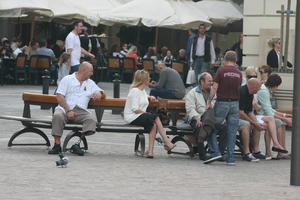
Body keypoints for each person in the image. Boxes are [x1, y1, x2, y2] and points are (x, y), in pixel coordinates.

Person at [48, 62, 105, 156]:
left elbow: (102, 93)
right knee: (57, 116)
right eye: (91, 71)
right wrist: (68, 110)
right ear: (83, 70)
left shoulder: (90, 83)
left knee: (91, 120)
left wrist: (100, 93)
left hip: (81, 111)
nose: (92, 74)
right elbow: (59, 96)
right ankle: (57, 145)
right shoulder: (67, 79)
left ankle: (77, 144)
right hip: (64, 108)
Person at [124, 70, 176, 158]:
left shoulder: (142, 91)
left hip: (140, 116)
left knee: (154, 125)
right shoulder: (134, 91)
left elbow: (142, 97)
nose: (150, 79)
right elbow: (135, 109)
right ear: (144, 80)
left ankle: (150, 151)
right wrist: (147, 113)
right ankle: (166, 141)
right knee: (155, 117)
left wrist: (149, 97)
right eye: (148, 78)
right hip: (132, 117)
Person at [205, 51, 242, 165]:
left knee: (211, 126)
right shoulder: (239, 73)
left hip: (222, 102)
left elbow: (214, 88)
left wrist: (209, 101)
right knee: (232, 131)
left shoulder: (221, 70)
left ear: (225, 59)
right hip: (235, 104)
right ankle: (231, 158)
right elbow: (239, 88)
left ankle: (215, 152)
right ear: (235, 60)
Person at [239, 78, 278, 162]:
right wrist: (253, 122)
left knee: (258, 124)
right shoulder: (242, 92)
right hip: (236, 115)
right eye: (259, 87)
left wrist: (257, 123)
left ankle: (256, 151)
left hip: (244, 115)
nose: (260, 89)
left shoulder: (251, 93)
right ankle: (246, 153)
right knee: (247, 124)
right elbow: (241, 113)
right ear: (253, 87)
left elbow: (249, 112)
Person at [256, 74, 291, 159]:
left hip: (263, 115)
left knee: (281, 123)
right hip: (260, 116)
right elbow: (269, 112)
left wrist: (284, 115)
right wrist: (285, 119)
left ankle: (281, 150)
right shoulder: (264, 92)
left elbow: (270, 109)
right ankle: (273, 150)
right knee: (279, 122)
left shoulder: (266, 90)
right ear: (275, 85)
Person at [185, 72, 214, 160]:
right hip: (197, 118)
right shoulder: (192, 93)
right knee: (202, 125)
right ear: (202, 82)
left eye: (212, 81)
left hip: (211, 119)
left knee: (224, 127)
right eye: (209, 81)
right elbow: (190, 109)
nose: (211, 83)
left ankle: (217, 151)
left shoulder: (214, 92)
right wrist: (197, 118)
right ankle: (204, 152)